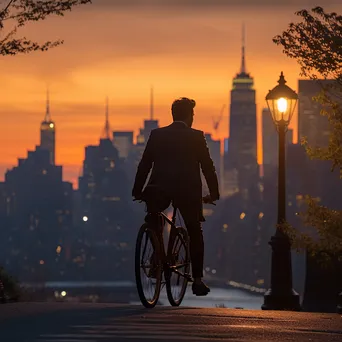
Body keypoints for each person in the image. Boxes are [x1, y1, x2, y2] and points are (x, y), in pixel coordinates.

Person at [132, 97, 220, 296]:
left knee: (154, 216)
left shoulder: (157, 135)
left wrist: (137, 190)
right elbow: (208, 167)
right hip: (188, 191)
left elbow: (144, 164)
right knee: (194, 231)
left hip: (159, 188)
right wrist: (213, 193)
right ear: (190, 116)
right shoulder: (196, 137)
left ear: (173, 114)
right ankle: (197, 280)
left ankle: (156, 257)